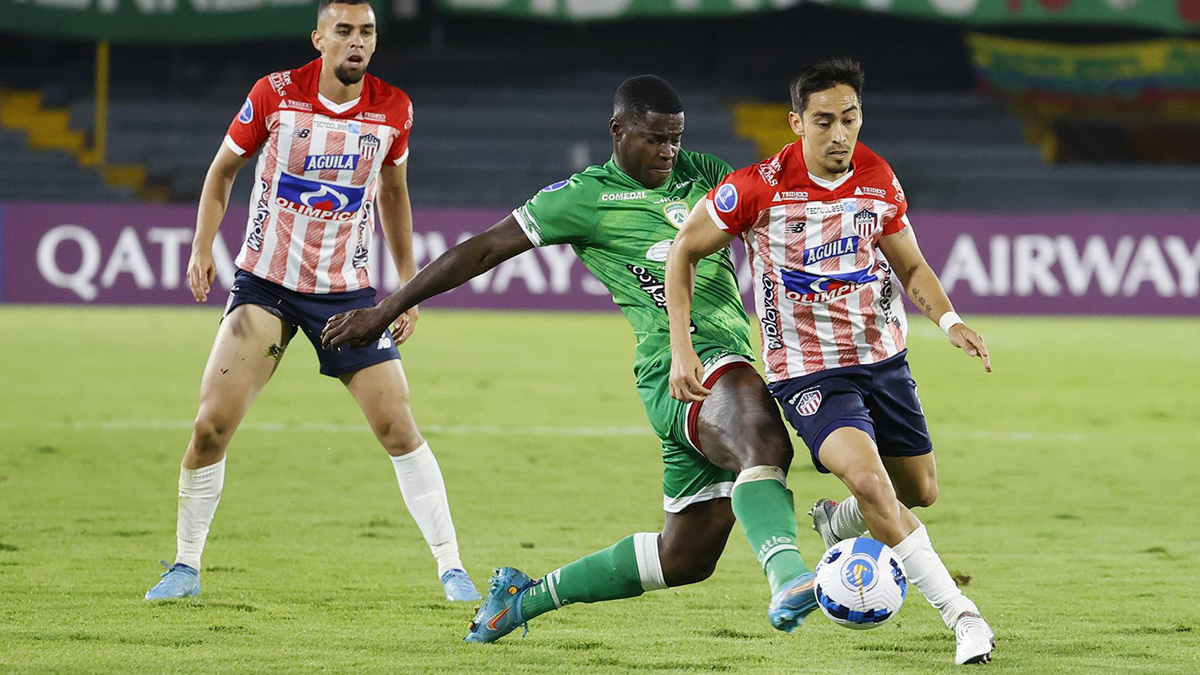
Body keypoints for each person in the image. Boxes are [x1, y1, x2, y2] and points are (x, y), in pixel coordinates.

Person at [321, 75, 820, 642]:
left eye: (675, 139)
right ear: (618, 130)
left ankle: (522, 599)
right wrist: (384, 310)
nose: (668, 152)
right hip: (681, 368)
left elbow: (780, 203)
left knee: (685, 559)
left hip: (720, 368)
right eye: (655, 139)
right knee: (765, 440)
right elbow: (482, 249)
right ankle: (790, 578)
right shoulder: (582, 198)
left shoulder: (704, 174)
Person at [144, 0, 480, 603]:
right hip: (264, 288)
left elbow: (394, 194)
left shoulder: (393, 108)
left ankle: (452, 568)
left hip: (347, 297)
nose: (357, 42)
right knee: (210, 426)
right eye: (344, 31)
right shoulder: (274, 94)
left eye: (367, 32)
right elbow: (222, 171)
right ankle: (185, 567)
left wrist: (406, 287)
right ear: (318, 39)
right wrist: (202, 246)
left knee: (399, 428)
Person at [665, 58, 996, 665]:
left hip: (884, 360)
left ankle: (836, 522)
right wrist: (681, 345)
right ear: (796, 123)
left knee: (916, 492)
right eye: (824, 121)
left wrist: (950, 321)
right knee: (872, 483)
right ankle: (965, 618)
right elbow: (684, 248)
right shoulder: (758, 187)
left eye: (850, 119)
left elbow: (911, 264)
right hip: (810, 372)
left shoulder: (877, 177)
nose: (840, 134)